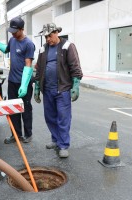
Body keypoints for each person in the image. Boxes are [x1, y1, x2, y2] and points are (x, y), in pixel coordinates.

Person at [34, 23, 83, 158]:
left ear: (56, 33)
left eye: (49, 36)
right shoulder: (43, 49)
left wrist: (76, 85)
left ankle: (63, 145)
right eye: (45, 37)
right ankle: (55, 140)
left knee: (63, 118)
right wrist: (37, 87)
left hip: (62, 89)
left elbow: (75, 66)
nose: (48, 39)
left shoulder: (67, 46)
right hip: (47, 90)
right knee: (50, 117)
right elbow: (39, 69)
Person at [0, 16, 35, 144]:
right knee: (13, 109)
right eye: (11, 31)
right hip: (12, 82)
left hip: (24, 84)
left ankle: (28, 135)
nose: (12, 33)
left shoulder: (28, 44)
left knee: (25, 109)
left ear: (22, 29)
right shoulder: (12, 40)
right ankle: (15, 134)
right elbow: (6, 49)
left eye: (15, 31)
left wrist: (24, 85)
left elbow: (28, 65)